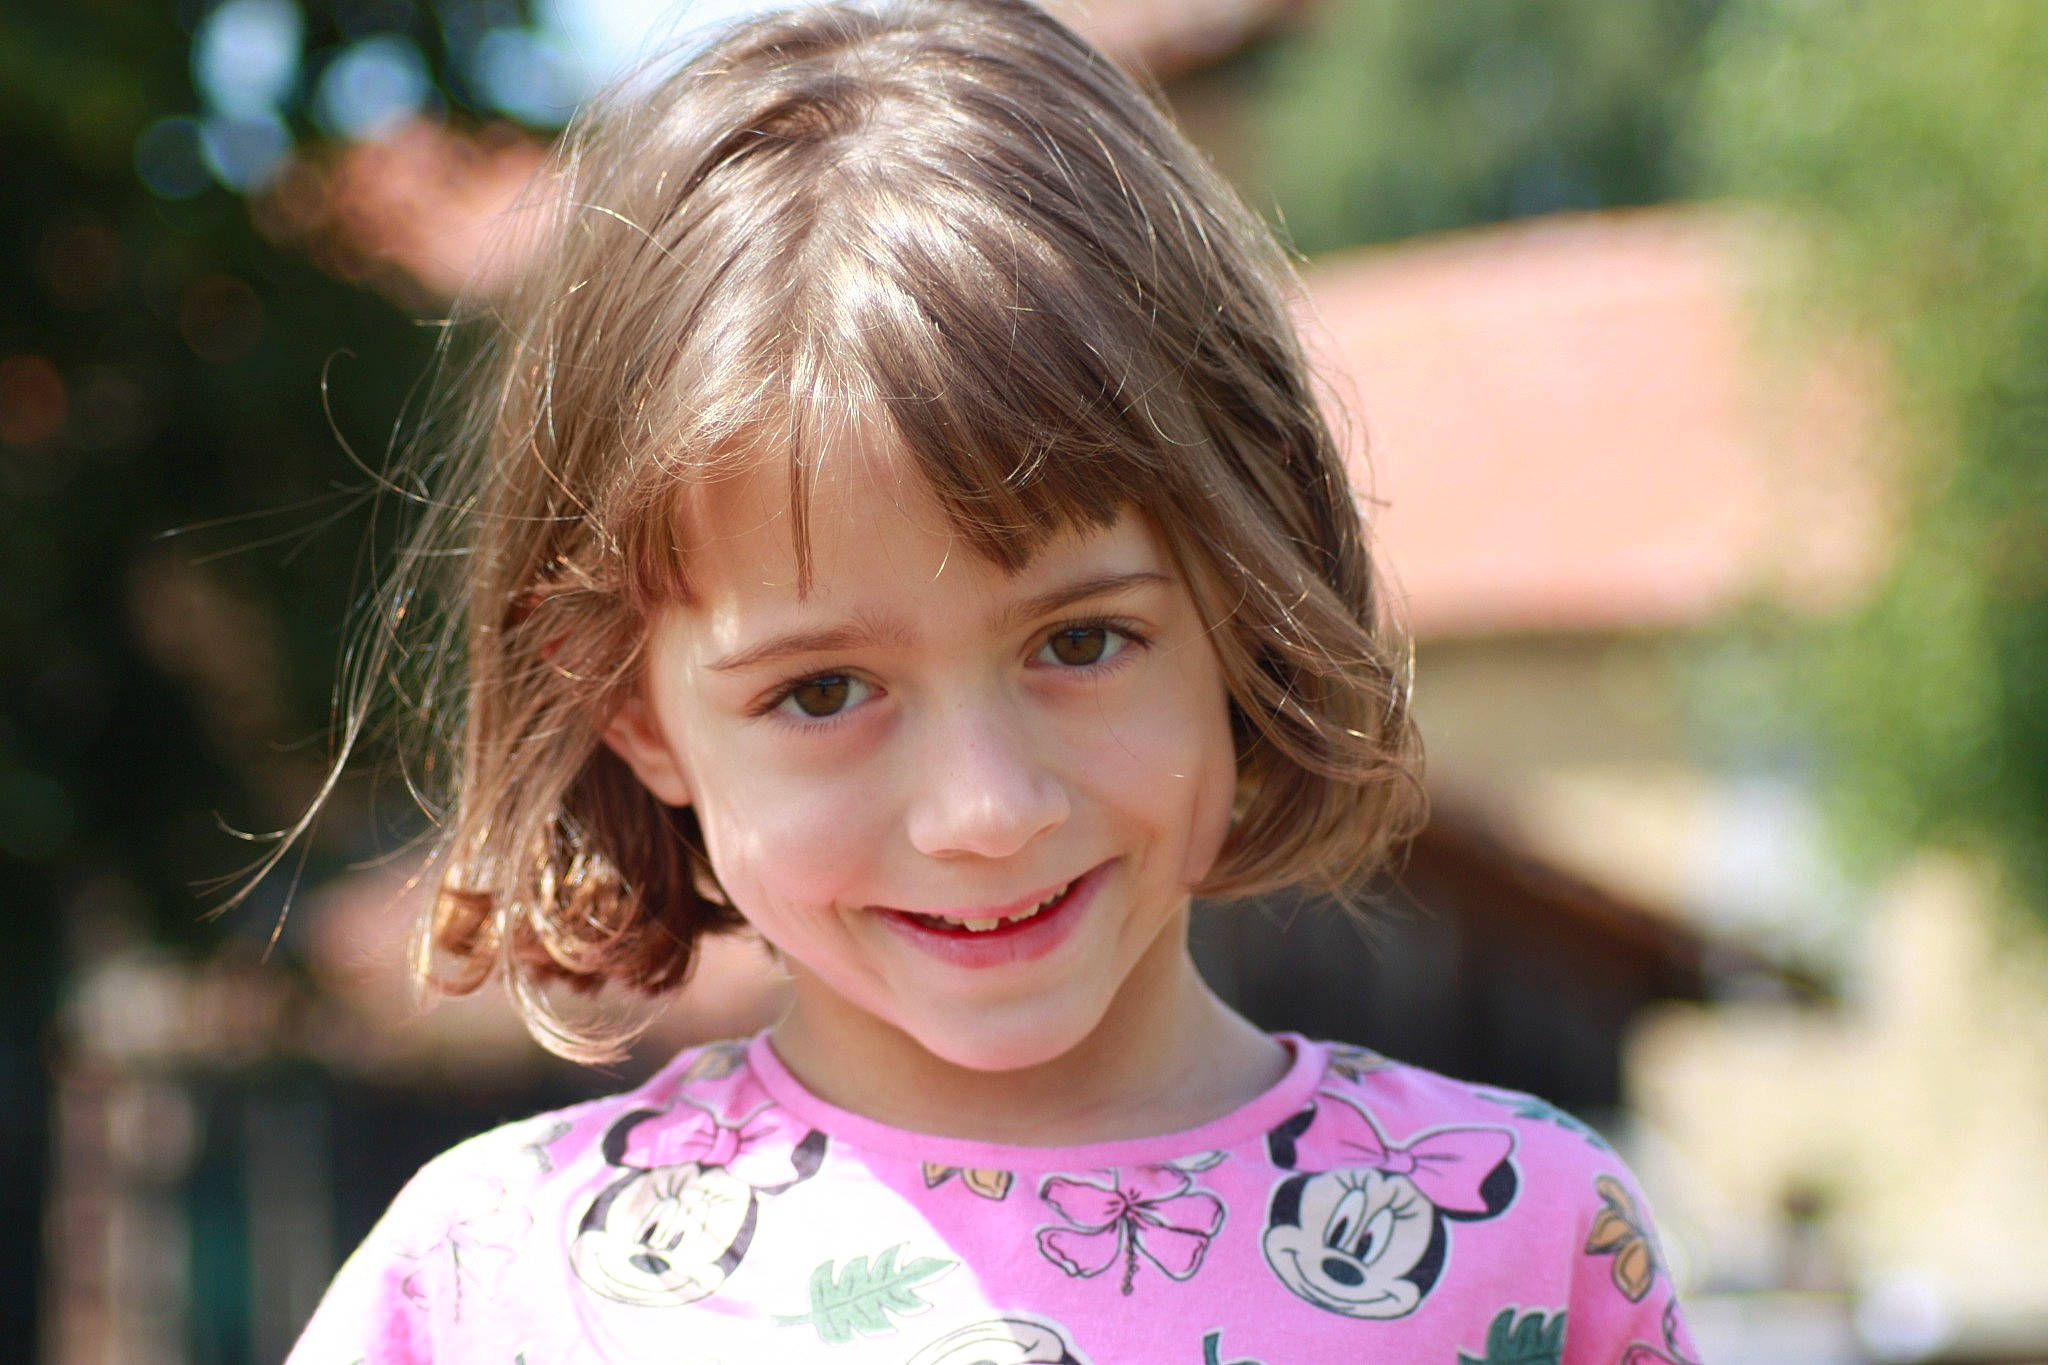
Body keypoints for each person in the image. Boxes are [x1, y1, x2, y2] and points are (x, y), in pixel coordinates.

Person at [286, 2, 1700, 1360]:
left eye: (1079, 642)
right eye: (825, 690)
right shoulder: (492, 1284)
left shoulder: (1523, 1246)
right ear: (636, 709)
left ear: (1245, 604)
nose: (984, 808)